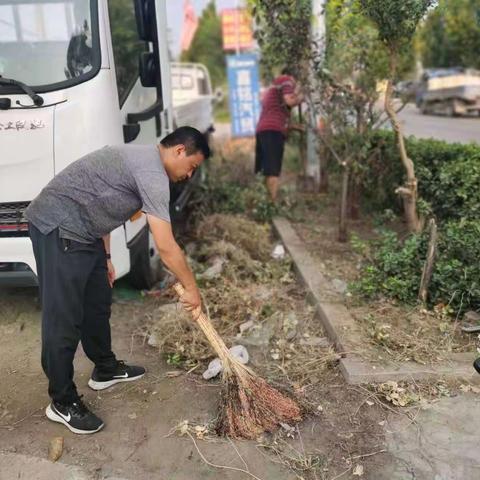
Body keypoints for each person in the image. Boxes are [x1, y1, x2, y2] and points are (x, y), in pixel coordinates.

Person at [26, 126, 210, 434]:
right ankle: (62, 400)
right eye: (191, 167)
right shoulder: (152, 173)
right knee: (64, 318)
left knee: (97, 303)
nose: (189, 175)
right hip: (58, 227)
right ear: (180, 151)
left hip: (87, 234)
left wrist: (107, 258)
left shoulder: (145, 164)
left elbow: (103, 205)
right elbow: (166, 247)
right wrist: (192, 289)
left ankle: (105, 368)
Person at [255, 69, 304, 202]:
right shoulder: (286, 80)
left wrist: (294, 127)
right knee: (272, 170)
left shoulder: (275, 88)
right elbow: (289, 101)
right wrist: (302, 97)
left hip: (263, 130)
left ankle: (261, 201)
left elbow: (277, 112)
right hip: (272, 131)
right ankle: (271, 204)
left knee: (263, 170)